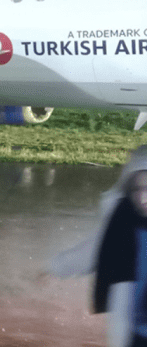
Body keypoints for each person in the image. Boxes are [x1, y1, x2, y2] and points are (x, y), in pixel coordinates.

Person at [50, 146, 147, 347]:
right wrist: (55, 266)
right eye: (138, 189)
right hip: (133, 334)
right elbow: (95, 250)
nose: (144, 198)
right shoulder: (122, 222)